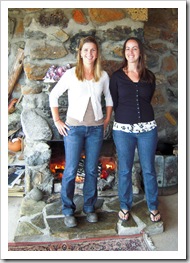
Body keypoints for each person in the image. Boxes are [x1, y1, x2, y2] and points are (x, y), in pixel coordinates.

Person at [49, 36, 113, 227]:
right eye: (85, 50)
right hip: (74, 129)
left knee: (92, 170)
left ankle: (89, 207)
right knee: (70, 170)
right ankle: (68, 210)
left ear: (97, 53)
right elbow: (53, 95)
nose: (89, 54)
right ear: (80, 52)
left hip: (95, 129)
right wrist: (57, 120)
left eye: (93, 50)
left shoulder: (103, 75)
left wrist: (107, 119)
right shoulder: (70, 74)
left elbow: (109, 98)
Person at [109, 37, 161, 223]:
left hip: (148, 129)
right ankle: (124, 205)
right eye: (127, 49)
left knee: (148, 169)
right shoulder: (116, 77)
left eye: (135, 48)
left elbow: (148, 99)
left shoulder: (149, 76)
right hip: (123, 130)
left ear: (140, 52)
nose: (131, 52)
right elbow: (114, 101)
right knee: (124, 170)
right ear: (124, 52)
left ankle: (153, 206)